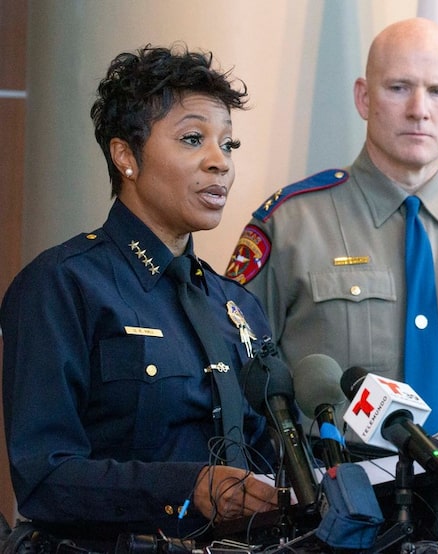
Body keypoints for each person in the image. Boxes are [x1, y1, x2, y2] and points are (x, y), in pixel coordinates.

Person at [0, 45, 281, 546]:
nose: (220, 163)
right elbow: (43, 478)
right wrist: (185, 487)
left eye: (229, 145)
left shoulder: (236, 306)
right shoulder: (62, 285)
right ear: (125, 156)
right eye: (193, 139)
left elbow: (276, 457)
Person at [225, 18, 438, 432]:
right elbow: (237, 386)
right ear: (364, 98)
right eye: (399, 87)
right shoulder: (291, 225)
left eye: (437, 92)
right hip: (337, 490)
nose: (419, 109)